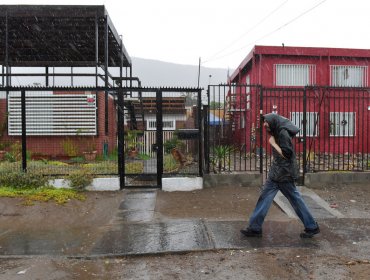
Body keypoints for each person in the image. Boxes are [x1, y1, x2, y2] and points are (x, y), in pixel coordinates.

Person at [241, 113, 320, 238]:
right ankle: (255, 227)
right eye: (264, 122)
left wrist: (273, 144)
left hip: (284, 174)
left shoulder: (282, 133)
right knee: (266, 198)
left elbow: (288, 154)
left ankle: (311, 226)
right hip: (277, 173)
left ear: (273, 121)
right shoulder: (277, 131)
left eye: (266, 122)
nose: (264, 124)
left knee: (295, 200)